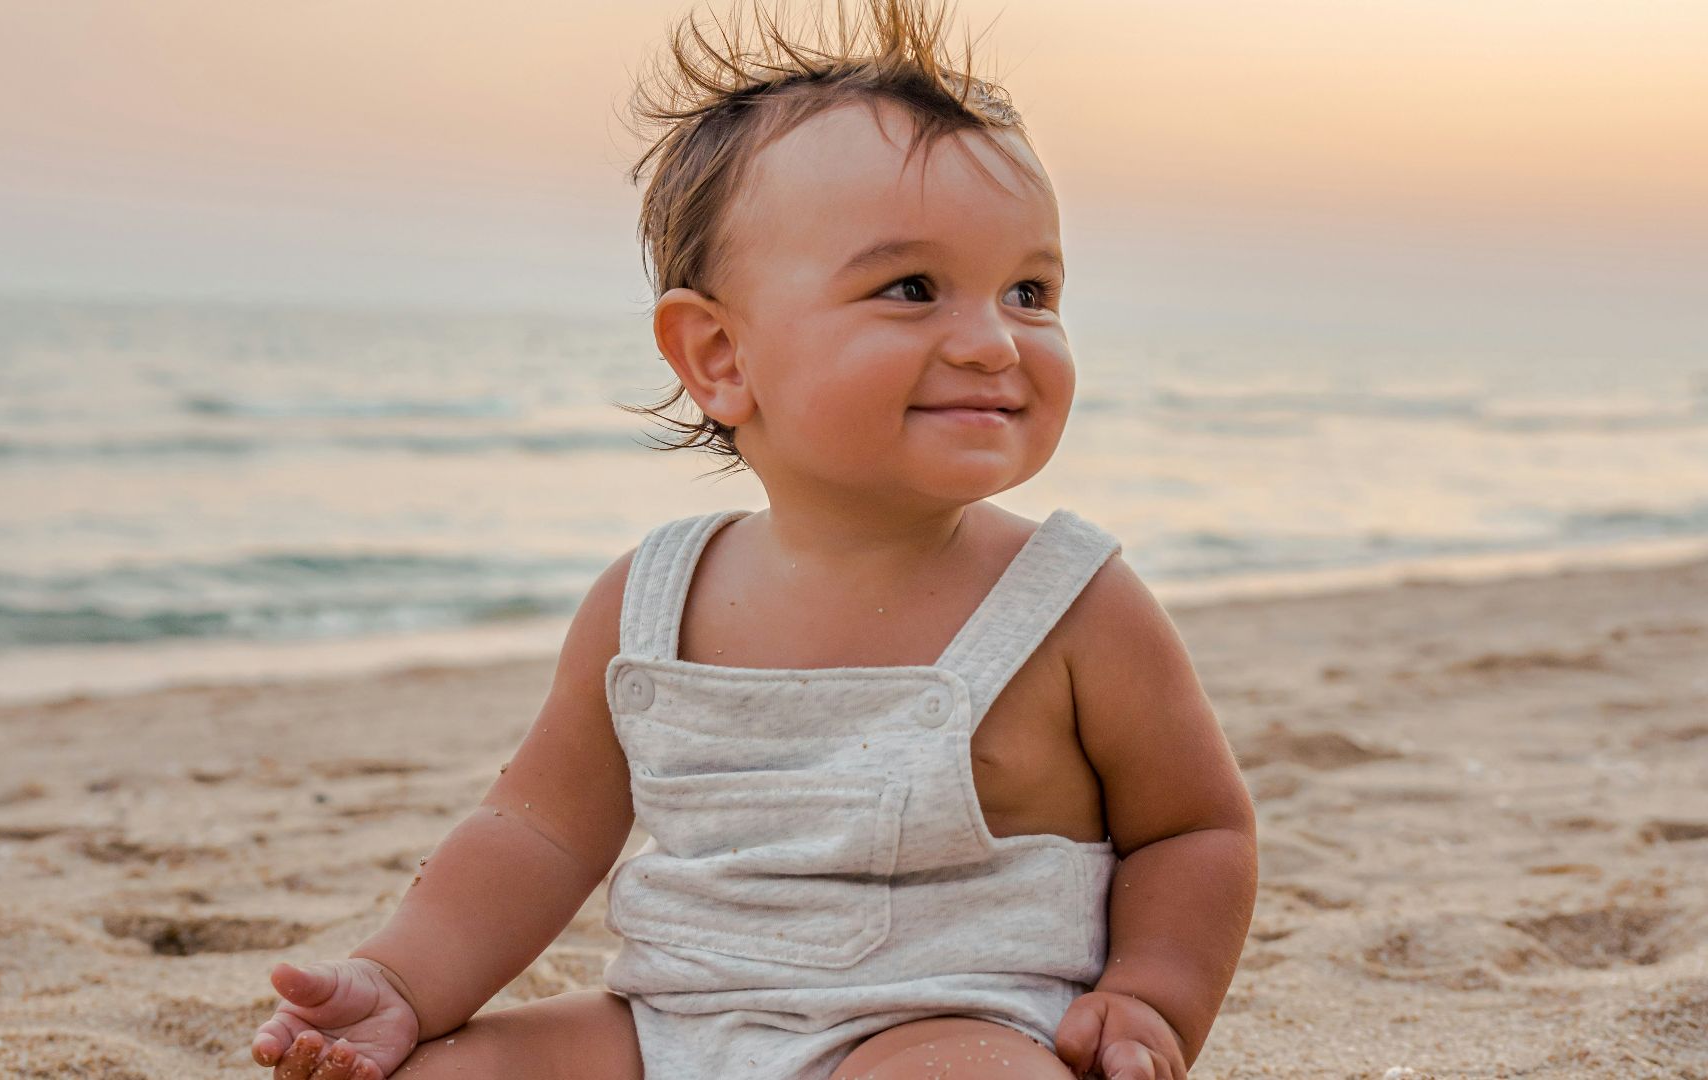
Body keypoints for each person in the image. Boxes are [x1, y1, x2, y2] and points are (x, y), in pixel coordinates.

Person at [250, 1, 1256, 1076]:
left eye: (1031, 291)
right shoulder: (649, 602)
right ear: (719, 354)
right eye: (912, 289)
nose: (993, 340)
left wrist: (1151, 996)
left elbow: (1194, 831)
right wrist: (405, 981)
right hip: (670, 1026)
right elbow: (536, 835)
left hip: (952, 1024)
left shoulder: (1071, 601)